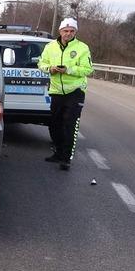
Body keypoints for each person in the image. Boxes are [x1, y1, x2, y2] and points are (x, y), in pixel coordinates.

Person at [38, 17, 94, 171]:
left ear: (75, 32)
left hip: (75, 91)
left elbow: (88, 69)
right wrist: (50, 69)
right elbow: (41, 63)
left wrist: (68, 70)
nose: (68, 33)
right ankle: (58, 152)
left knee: (69, 124)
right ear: (60, 31)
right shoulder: (50, 47)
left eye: (71, 31)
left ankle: (66, 158)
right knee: (54, 124)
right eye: (66, 30)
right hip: (56, 91)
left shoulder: (82, 48)